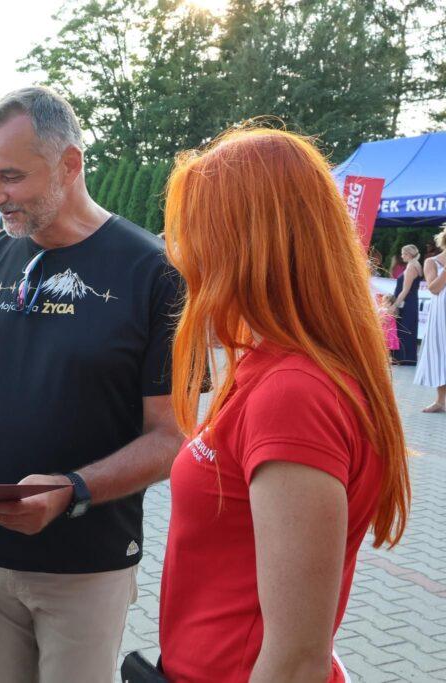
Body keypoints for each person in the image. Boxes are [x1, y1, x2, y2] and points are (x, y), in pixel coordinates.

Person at [0, 87, 183, 682]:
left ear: (69, 164)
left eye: (11, 177)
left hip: (86, 567)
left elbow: (172, 437)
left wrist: (72, 489)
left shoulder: (153, 272)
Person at [157, 127, 412, 682]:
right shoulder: (273, 365)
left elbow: (296, 660)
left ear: (246, 245)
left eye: (196, 233)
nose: (182, 257)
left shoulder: (293, 392)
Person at [415, 228, 446, 413]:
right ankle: (440, 401)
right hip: (440, 317)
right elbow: (434, 289)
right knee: (440, 355)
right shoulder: (431, 262)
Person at [391, 244, 422, 365]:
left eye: (403, 253)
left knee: (403, 328)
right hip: (410, 302)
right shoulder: (415, 264)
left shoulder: (411, 266)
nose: (402, 256)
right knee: (407, 328)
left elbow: (405, 290)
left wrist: (394, 305)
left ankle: (403, 358)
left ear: (408, 254)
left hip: (406, 303)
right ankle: (405, 358)